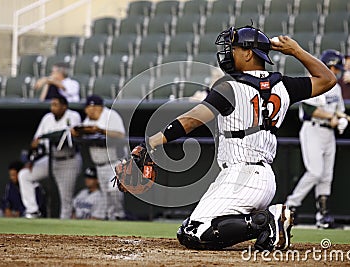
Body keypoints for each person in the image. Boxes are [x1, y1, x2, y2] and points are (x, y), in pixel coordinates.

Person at [116, 25, 337, 251]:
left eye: (234, 48)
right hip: (261, 177)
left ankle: (268, 221)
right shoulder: (285, 85)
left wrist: (151, 142)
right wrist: (296, 51)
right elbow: (328, 79)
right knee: (190, 229)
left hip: (242, 176)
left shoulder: (229, 87)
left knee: (194, 232)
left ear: (249, 53)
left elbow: (193, 119)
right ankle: (265, 227)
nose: (229, 52)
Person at [285, 49, 348, 229]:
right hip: (313, 129)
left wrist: (341, 119)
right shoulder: (315, 82)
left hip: (329, 133)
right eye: (335, 68)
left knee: (326, 175)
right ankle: (291, 205)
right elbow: (308, 111)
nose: (337, 72)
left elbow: (339, 110)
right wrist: (330, 117)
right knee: (315, 171)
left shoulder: (336, 87)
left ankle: (323, 216)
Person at [18, 95, 82, 219]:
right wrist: (32, 159)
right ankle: (32, 211)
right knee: (24, 175)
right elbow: (36, 141)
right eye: (51, 105)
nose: (52, 108)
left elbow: (67, 136)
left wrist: (47, 136)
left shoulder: (73, 116)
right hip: (50, 159)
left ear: (64, 106)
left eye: (55, 105)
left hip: (68, 160)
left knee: (66, 199)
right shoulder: (47, 118)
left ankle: (65, 229)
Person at [72, 95, 126, 220]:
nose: (90, 111)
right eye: (88, 108)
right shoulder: (88, 120)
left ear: (100, 107)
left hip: (115, 162)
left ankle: (119, 216)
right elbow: (81, 130)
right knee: (106, 196)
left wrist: (101, 131)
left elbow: (120, 135)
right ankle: (112, 220)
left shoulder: (111, 115)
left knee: (114, 190)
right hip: (100, 165)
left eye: (93, 108)